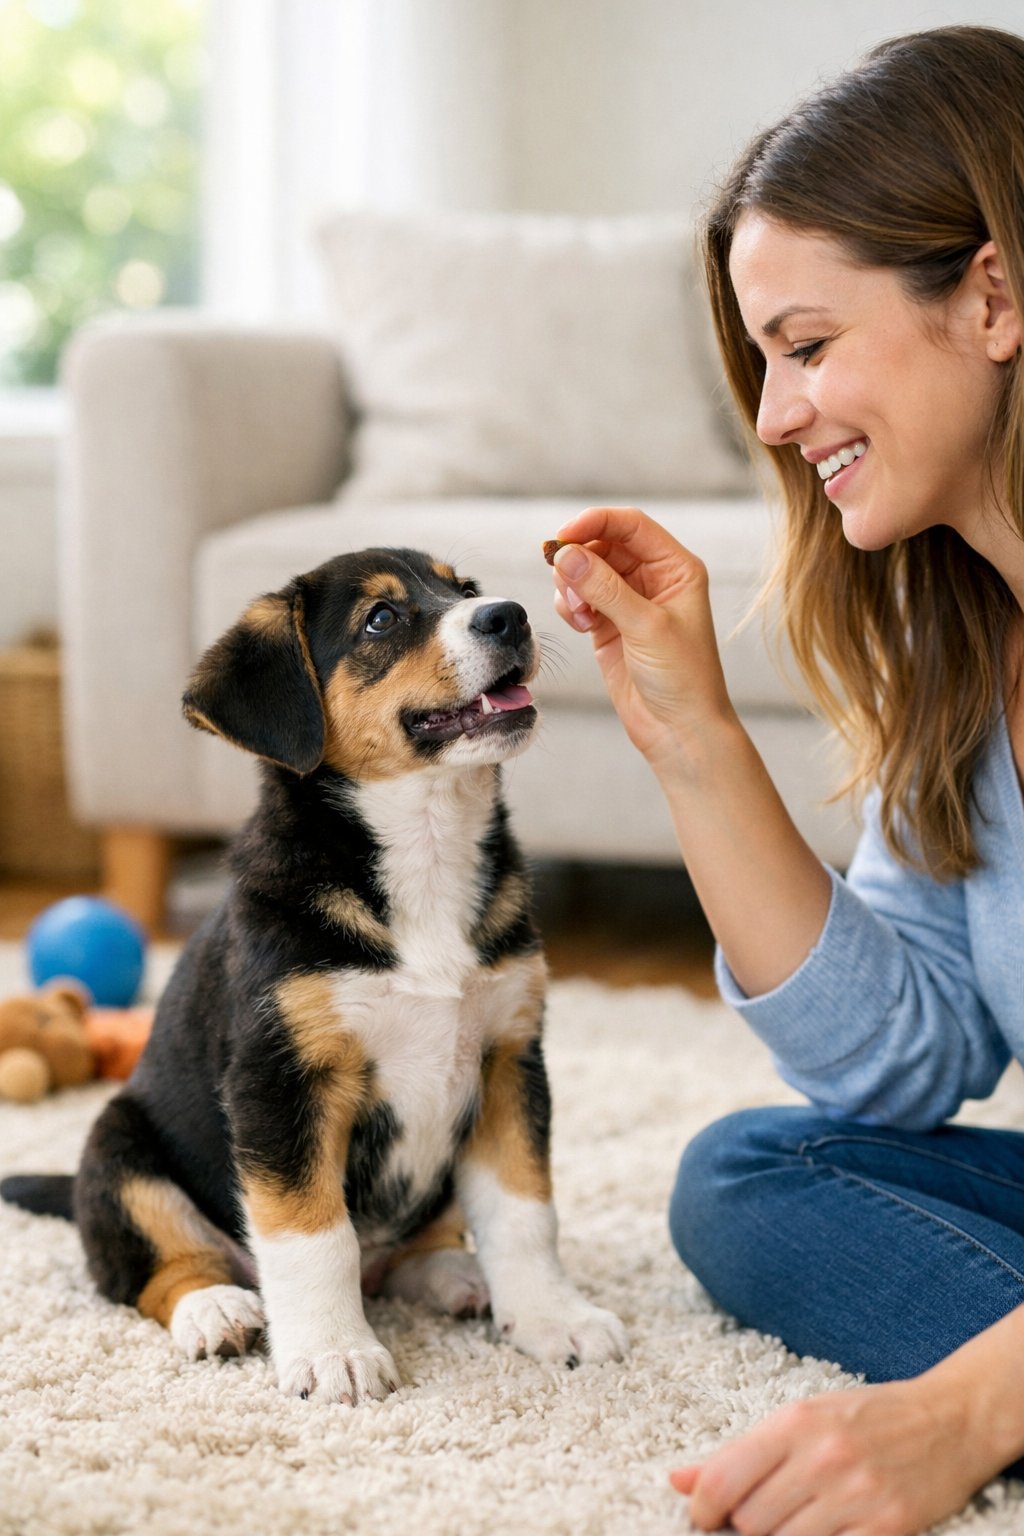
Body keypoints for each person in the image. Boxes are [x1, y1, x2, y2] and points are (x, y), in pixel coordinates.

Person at [548, 24, 1024, 1536]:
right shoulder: (969, 656)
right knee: (752, 1174)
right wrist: (691, 739)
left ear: (995, 297)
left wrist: (960, 1412)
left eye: (807, 346)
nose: (772, 417)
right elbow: (901, 1059)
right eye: (764, 362)